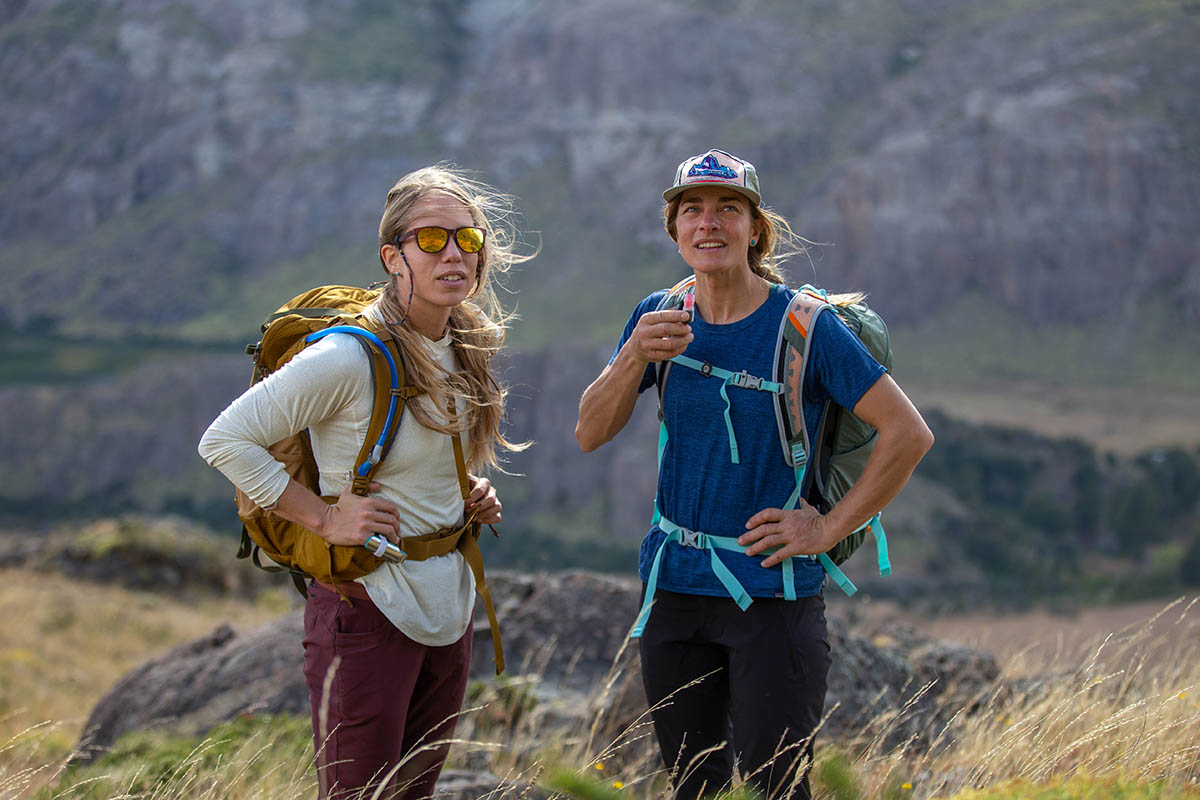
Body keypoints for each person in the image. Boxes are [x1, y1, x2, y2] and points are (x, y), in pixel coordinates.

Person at [575, 148, 933, 800]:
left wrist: (827, 529)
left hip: (774, 597)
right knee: (694, 787)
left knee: (777, 787)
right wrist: (633, 356)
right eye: (692, 211)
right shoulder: (660, 315)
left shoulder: (806, 327)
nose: (708, 224)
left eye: (727, 210)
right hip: (674, 591)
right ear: (675, 230)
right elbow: (590, 433)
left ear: (754, 228)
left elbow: (909, 434)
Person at [199, 165, 530, 799]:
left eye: (469, 237)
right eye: (431, 239)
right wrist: (323, 518)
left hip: (447, 604)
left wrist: (465, 494)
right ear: (392, 256)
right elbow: (223, 439)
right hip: (366, 606)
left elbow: (418, 455)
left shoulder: (461, 341)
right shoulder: (348, 356)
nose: (455, 252)